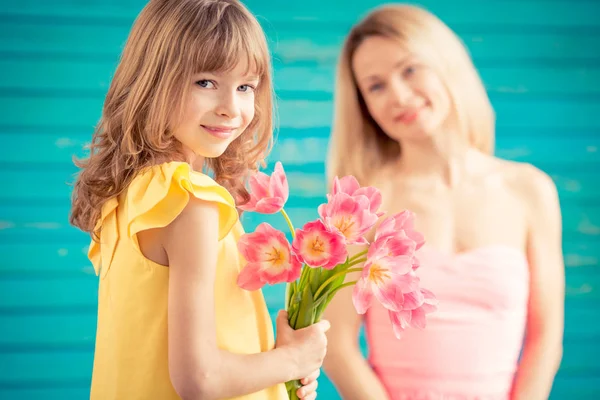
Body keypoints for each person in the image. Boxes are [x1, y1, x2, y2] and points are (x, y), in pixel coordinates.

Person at [69, 1, 329, 399]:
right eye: (206, 82)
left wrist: (272, 364)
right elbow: (199, 379)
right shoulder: (189, 200)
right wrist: (296, 359)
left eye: (245, 87)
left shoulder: (132, 194)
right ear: (155, 80)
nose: (231, 109)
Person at [322, 4, 564, 400]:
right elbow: (338, 346)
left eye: (410, 69)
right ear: (364, 106)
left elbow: (545, 339)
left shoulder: (530, 190)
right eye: (376, 86)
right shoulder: (365, 204)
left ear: (445, 63)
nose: (399, 94)